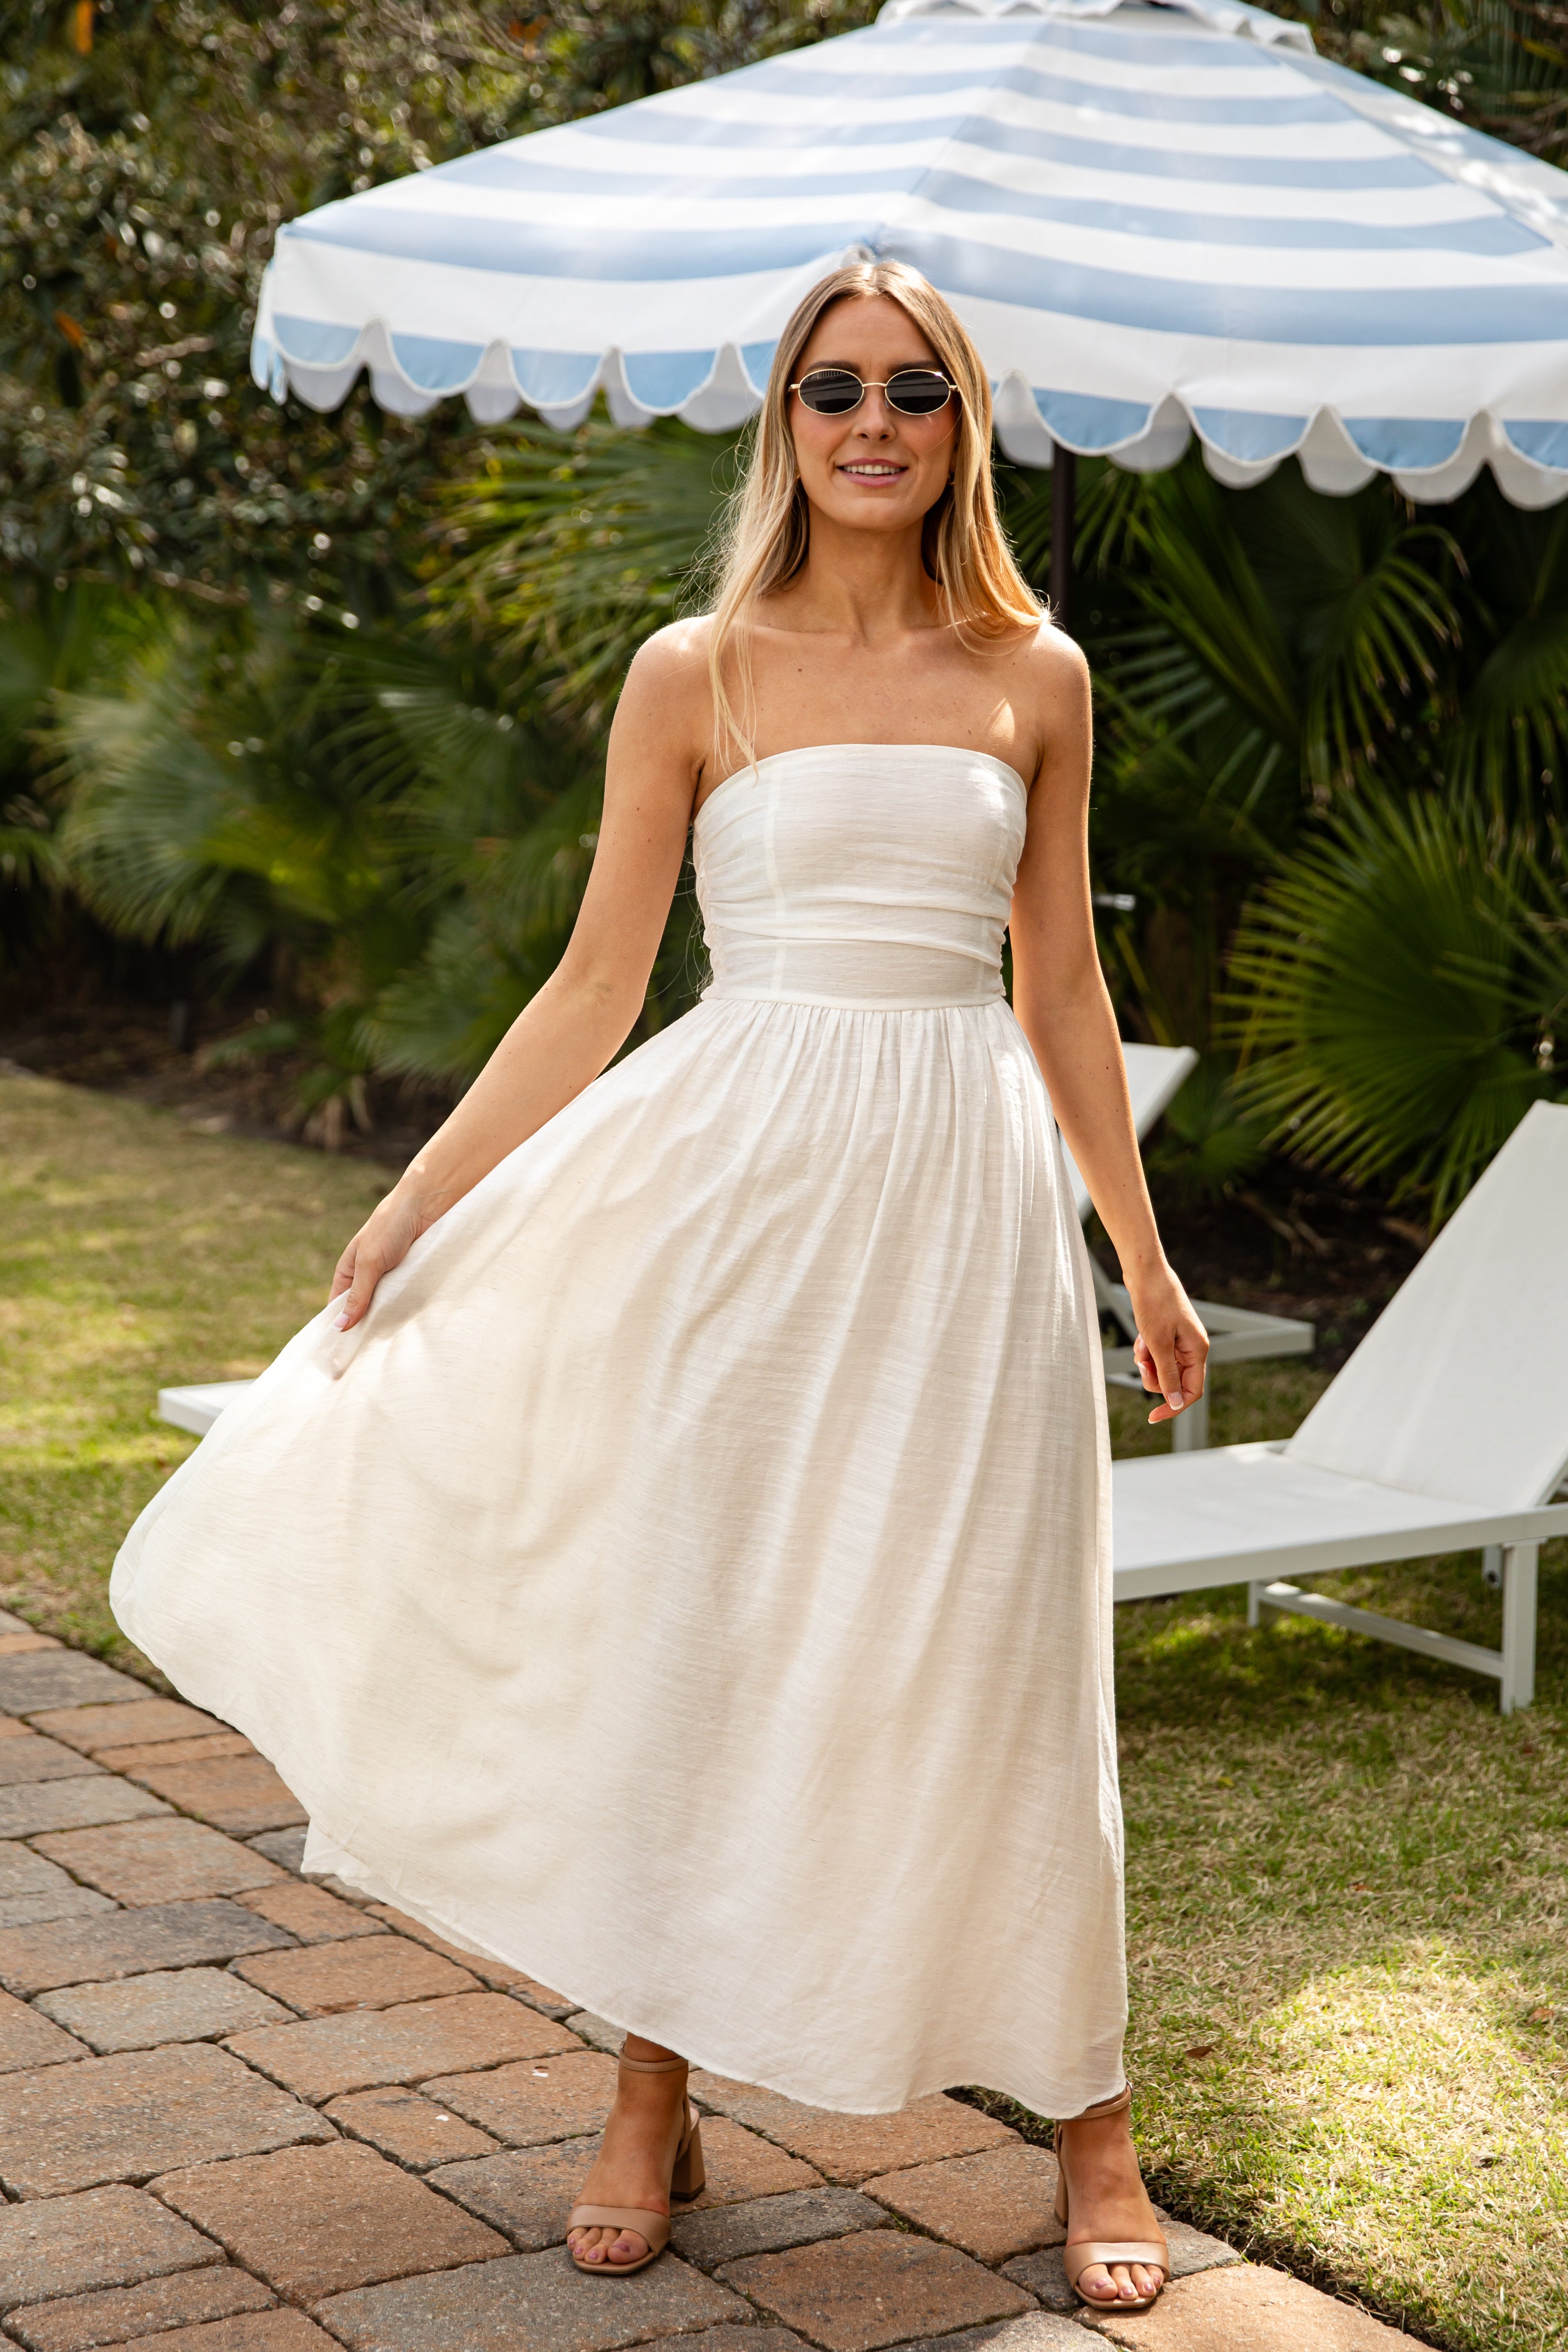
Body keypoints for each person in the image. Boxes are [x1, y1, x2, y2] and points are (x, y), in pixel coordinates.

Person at [112, 258, 1207, 2316]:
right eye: (828, 389)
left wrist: (1135, 1253)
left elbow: (1057, 986)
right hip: (740, 1209)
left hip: (962, 1209)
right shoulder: (690, 668)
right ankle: (647, 2081)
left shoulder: (1033, 674)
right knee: (706, 1625)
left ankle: (1089, 2112)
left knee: (998, 1644)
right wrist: (415, 1201)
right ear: (783, 422)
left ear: (960, 422)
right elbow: (599, 986)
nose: (868, 421)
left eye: (909, 390)